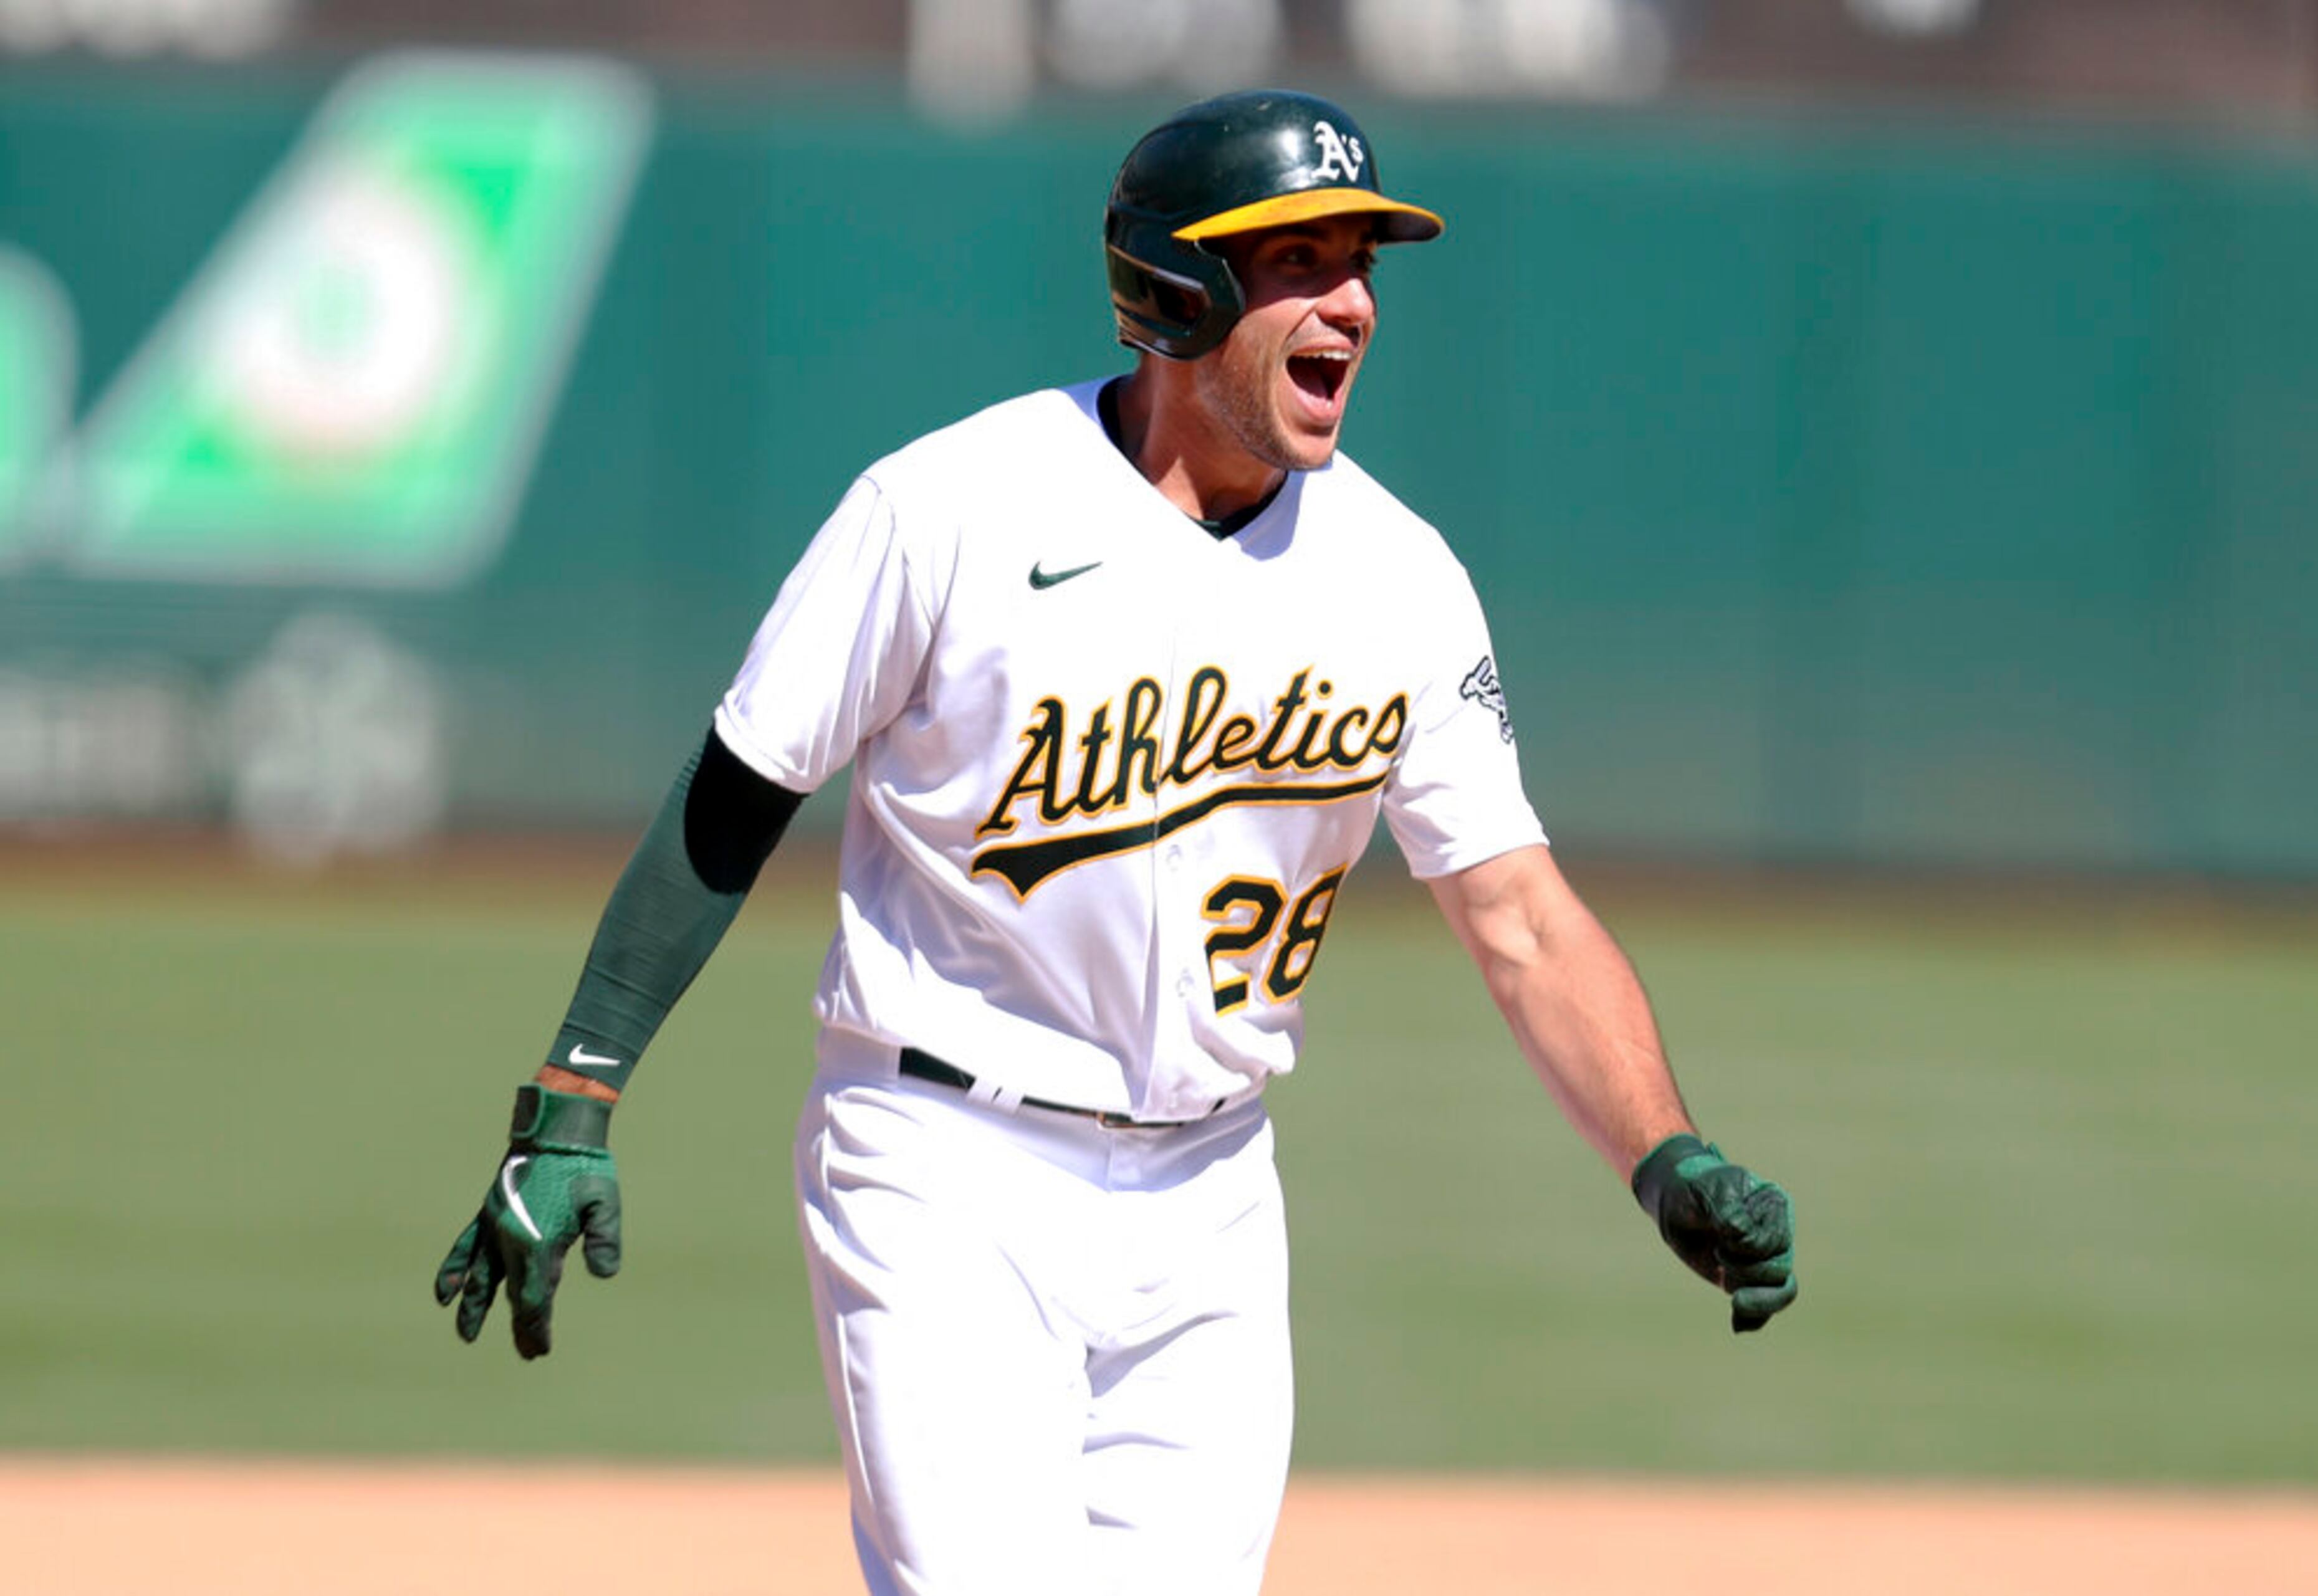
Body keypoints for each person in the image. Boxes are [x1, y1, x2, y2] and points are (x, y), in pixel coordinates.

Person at [434, 87, 1797, 1596]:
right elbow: (740, 790)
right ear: (1176, 287)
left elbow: (1519, 914)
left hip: (1212, 1190)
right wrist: (573, 1101)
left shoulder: (1401, 579)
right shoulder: (952, 509)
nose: (1354, 302)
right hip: (944, 1162)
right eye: (1300, 261)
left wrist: (1663, 1152)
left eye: (1362, 264)